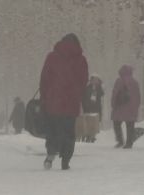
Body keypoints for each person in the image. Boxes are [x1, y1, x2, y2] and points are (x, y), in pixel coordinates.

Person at [40, 33, 88, 170]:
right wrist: (78, 95)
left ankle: (50, 153)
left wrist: (45, 97)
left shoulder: (52, 57)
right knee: (68, 131)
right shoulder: (81, 60)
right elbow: (83, 81)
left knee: (53, 130)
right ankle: (65, 160)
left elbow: (44, 80)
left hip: (53, 101)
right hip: (71, 103)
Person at [111, 65, 140, 149]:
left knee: (116, 123)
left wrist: (113, 104)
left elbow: (115, 93)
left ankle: (120, 140)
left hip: (119, 107)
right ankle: (129, 143)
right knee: (130, 125)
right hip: (131, 108)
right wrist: (136, 106)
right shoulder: (135, 82)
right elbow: (138, 96)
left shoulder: (119, 81)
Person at [81, 75, 104, 142]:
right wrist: (85, 105)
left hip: (96, 108)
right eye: (93, 80)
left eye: (96, 80)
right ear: (91, 81)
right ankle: (88, 136)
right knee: (88, 122)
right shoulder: (87, 87)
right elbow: (84, 97)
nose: (95, 82)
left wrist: (99, 86)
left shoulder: (99, 88)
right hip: (88, 108)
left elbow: (102, 94)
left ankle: (92, 136)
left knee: (95, 122)